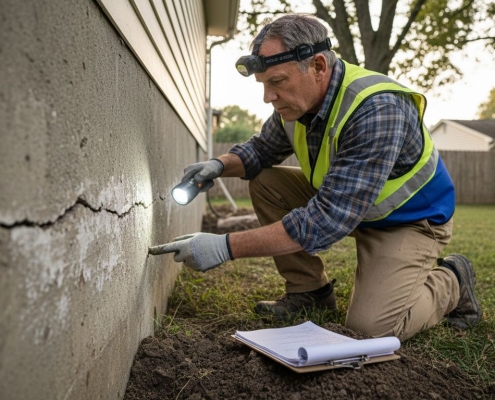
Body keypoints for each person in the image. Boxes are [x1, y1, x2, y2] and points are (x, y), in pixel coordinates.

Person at [149, 14, 482, 341]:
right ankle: (309, 291)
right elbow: (261, 152)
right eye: (264, 85)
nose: (268, 96)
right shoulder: (297, 104)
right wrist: (218, 166)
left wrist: (224, 246)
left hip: (408, 221)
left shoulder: (377, 109)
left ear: (319, 67)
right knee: (266, 180)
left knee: (372, 329)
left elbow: (324, 221)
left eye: (276, 82)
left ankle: (453, 279)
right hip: (353, 209)